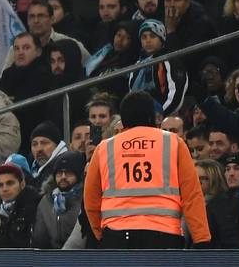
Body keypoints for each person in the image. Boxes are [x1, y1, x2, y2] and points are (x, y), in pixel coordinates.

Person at [84, 90, 212, 248]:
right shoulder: (174, 143)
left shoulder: (104, 148)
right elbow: (192, 195)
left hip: (116, 235)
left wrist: (100, 234)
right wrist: (202, 239)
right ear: (152, 116)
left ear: (123, 120)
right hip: (164, 235)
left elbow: (91, 200)